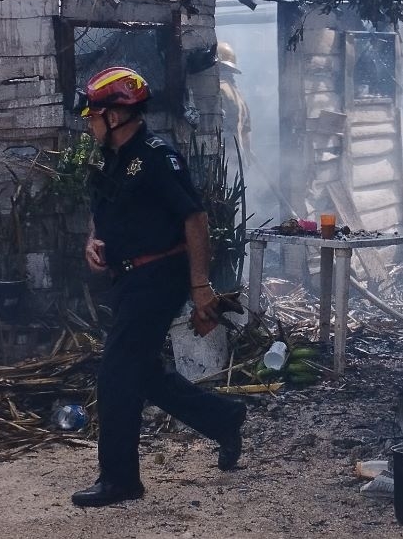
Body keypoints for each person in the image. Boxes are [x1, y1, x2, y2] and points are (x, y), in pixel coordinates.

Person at [71, 66, 247, 509]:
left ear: (115, 116)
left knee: (115, 373)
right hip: (127, 278)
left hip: (159, 277)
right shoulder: (108, 158)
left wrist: (201, 286)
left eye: (94, 113)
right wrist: (93, 241)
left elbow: (195, 218)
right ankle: (224, 418)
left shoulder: (156, 157)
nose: (89, 122)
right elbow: (102, 213)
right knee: (142, 371)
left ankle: (120, 480)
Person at [216, 41, 252, 156]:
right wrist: (247, 152)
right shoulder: (237, 93)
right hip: (237, 156)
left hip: (226, 157)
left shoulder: (218, 90)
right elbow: (246, 132)